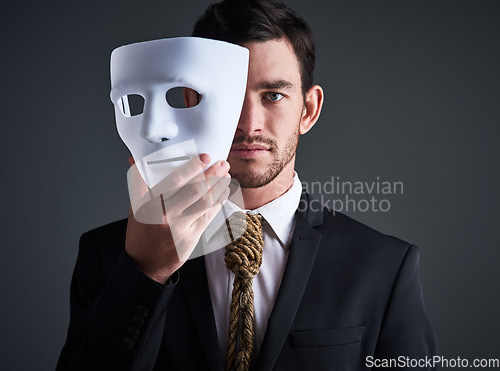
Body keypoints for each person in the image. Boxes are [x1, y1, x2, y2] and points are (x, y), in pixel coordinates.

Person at [57, 0, 438, 370]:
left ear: (308, 110)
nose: (249, 122)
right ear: (189, 100)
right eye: (229, 96)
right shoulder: (109, 256)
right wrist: (146, 272)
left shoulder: (383, 266)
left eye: (273, 95)